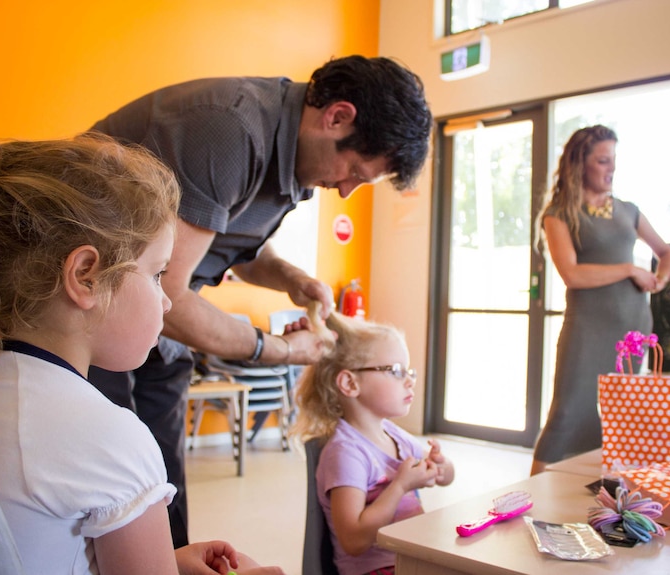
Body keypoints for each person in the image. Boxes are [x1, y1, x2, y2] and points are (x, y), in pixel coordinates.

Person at [86, 54, 433, 546]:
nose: (347, 190)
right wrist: (280, 351)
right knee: (116, 496)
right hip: (91, 318)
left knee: (162, 489)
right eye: (355, 169)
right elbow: (168, 291)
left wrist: (292, 278)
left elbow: (228, 242)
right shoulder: (231, 131)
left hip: (149, 331)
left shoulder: (295, 162)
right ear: (336, 117)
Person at [0, 135, 283, 575]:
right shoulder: (111, 438)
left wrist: (170, 562)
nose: (166, 302)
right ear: (86, 277)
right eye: (157, 274)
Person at [530, 125, 670, 475]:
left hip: (632, 327)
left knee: (618, 418)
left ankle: (601, 500)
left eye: (613, 160)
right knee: (567, 410)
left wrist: (658, 281)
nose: (611, 168)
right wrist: (629, 269)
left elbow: (667, 253)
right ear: (580, 163)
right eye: (603, 160)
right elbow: (574, 275)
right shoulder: (558, 215)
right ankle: (528, 498)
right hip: (587, 327)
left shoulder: (629, 210)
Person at [291, 310, 455, 575]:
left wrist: (441, 466)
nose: (410, 380)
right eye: (395, 371)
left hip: (411, 557)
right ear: (350, 383)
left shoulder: (394, 435)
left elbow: (444, 477)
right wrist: (400, 486)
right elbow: (354, 540)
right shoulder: (345, 453)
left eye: (409, 371)